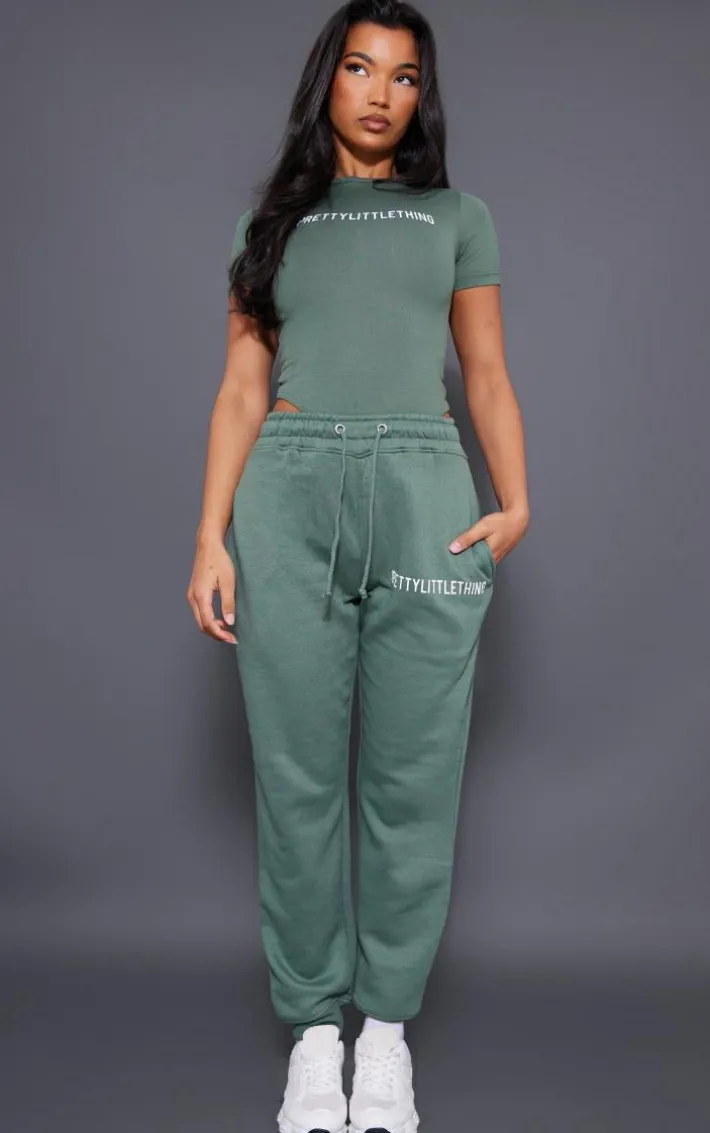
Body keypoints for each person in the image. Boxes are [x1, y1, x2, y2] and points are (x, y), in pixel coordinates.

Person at [187, 1, 529, 1130]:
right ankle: (312, 1037)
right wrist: (210, 536)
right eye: (359, 67)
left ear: (422, 95)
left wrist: (515, 500)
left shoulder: (458, 218)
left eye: (403, 75)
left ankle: (383, 1037)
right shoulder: (268, 225)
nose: (380, 92)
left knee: (412, 779)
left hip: (426, 495)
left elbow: (484, 373)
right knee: (294, 780)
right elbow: (242, 387)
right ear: (325, 81)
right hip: (285, 495)